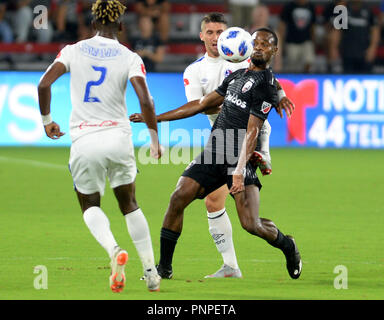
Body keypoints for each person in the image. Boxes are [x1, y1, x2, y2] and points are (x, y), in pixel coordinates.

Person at [130, 21, 296, 280]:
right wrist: (154, 118)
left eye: (267, 44)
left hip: (238, 157)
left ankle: (288, 245)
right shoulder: (237, 76)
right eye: (257, 42)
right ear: (249, 46)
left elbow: (253, 130)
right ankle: (164, 268)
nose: (260, 47)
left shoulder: (265, 85)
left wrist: (240, 171)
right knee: (178, 197)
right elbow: (200, 104)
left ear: (274, 52)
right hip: (215, 151)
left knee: (251, 224)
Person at [37, 0, 162, 293]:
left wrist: (47, 121)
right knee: (129, 204)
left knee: (90, 204)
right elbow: (146, 101)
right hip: (118, 138)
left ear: (92, 24)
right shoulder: (129, 56)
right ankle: (151, 273)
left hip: (85, 140)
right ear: (121, 26)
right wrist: (154, 138)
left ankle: (113, 250)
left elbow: (43, 85)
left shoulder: (72, 51)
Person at [328, 0, 380, 74]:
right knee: (347, 77)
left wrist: (372, 48)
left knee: (364, 78)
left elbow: (375, 30)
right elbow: (337, 30)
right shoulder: (343, 10)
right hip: (347, 52)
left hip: (364, 53)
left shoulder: (368, 10)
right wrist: (333, 48)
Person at [278, 0, 317, 73]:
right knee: (292, 66)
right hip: (291, 41)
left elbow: (313, 26)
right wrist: (281, 43)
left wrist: (314, 41)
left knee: (309, 63)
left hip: (307, 40)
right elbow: (282, 26)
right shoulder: (289, 7)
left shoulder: (311, 7)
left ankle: (307, 78)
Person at [247, 4, 282, 72]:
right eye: (258, 14)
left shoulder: (274, 34)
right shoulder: (246, 32)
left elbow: (278, 57)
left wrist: (277, 72)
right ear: (253, 15)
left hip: (267, 70)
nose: (260, 17)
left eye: (262, 15)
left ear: (267, 16)